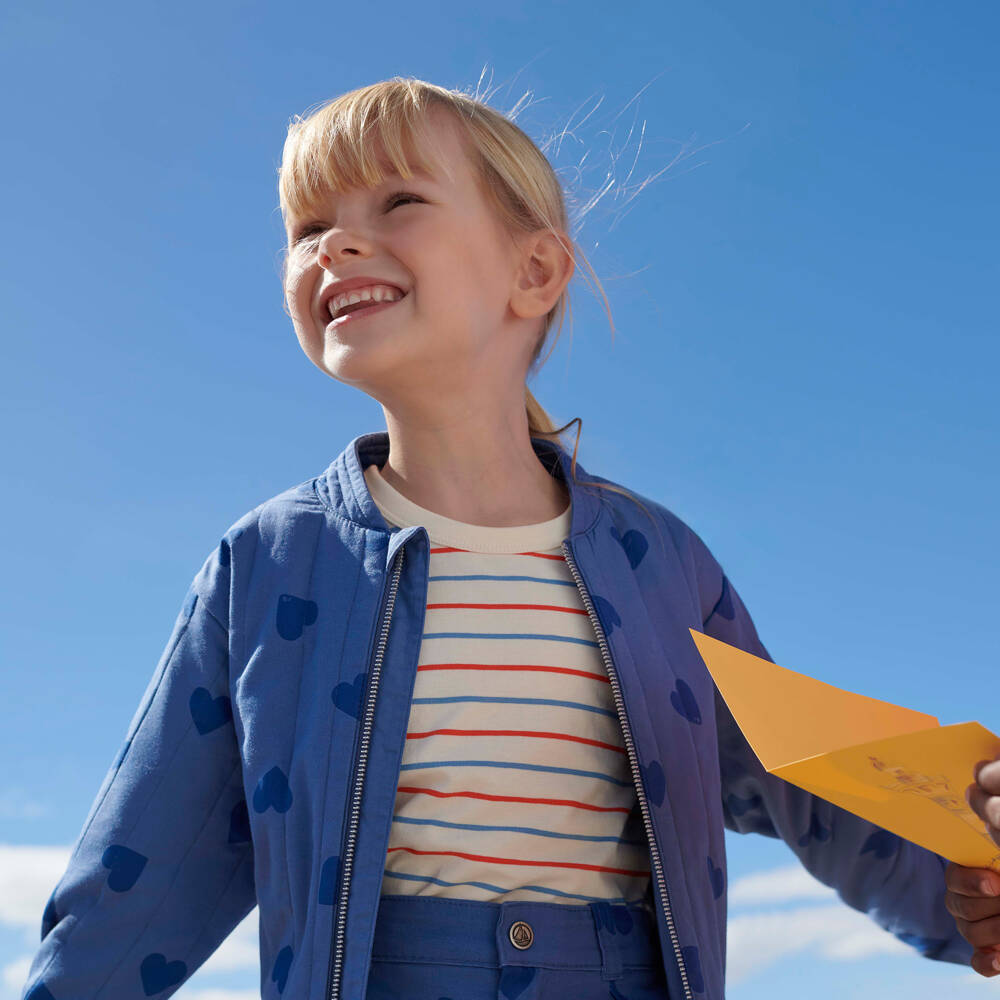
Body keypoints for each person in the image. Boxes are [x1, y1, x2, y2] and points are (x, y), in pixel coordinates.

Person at [20, 77, 1000, 1000]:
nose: (333, 247)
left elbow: (808, 784)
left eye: (397, 202)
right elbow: (141, 866)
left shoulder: (661, 563)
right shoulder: (270, 562)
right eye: (308, 227)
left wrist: (973, 873)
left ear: (532, 272)